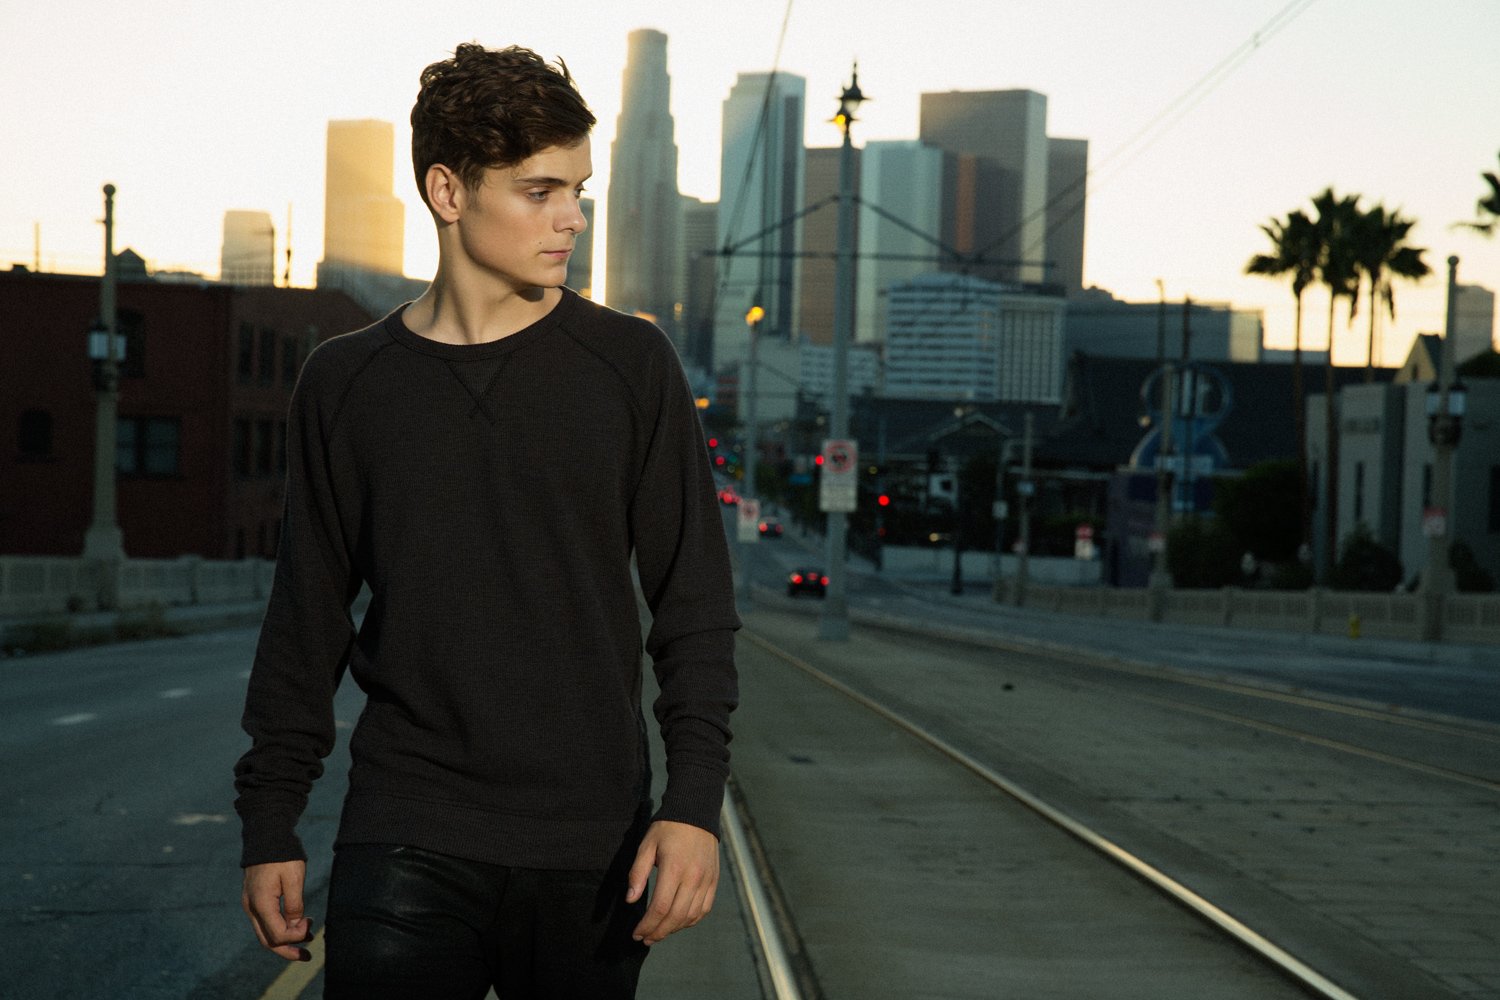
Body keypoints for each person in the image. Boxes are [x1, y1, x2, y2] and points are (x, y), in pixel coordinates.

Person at [233, 42, 739, 999]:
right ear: (448, 192)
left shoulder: (630, 368)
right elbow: (305, 618)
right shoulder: (346, 384)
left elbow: (695, 609)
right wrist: (271, 820)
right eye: (540, 191)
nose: (572, 218)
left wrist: (695, 807)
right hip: (407, 824)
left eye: (579, 190)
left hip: (591, 847)